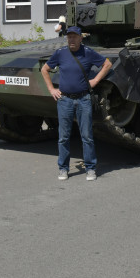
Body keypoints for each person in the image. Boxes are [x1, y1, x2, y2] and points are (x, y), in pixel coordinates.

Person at [39, 26, 111, 182]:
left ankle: (90, 168)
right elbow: (44, 69)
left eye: (74, 36)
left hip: (83, 99)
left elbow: (107, 64)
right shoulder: (60, 53)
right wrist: (51, 89)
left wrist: (95, 80)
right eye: (69, 36)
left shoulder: (88, 52)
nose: (71, 39)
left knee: (87, 136)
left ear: (80, 38)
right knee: (63, 137)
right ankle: (63, 168)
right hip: (65, 100)